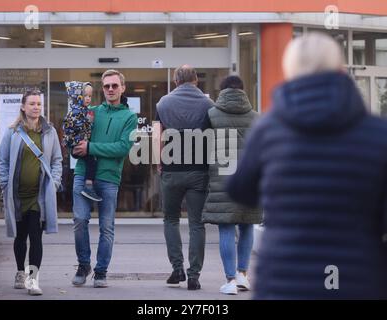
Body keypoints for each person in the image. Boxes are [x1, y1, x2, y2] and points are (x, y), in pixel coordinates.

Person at [227, 33, 387, 299]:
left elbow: (240, 190)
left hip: (283, 278)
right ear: (340, 70)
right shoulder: (377, 134)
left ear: (290, 72)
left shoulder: (269, 129)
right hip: (358, 278)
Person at [71, 69, 137, 288]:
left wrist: (91, 147)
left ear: (122, 88)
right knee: (80, 220)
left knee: (106, 227)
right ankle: (83, 265)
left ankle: (101, 271)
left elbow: (122, 148)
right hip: (83, 173)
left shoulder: (129, 117)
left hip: (109, 178)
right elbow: (76, 138)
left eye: (114, 85)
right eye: (107, 86)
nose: (110, 89)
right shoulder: (91, 112)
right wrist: (75, 147)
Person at [0, 89, 63, 296]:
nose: (36, 107)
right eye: (32, 104)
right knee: (20, 237)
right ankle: (19, 272)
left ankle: (33, 279)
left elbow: (56, 160)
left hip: (39, 196)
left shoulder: (49, 131)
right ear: (23, 107)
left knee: (36, 237)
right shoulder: (12, 132)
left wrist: (54, 183)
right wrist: (5, 184)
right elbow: (3, 161)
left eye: (39, 104)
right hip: (17, 195)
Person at [155, 65, 214, 290]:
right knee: (197, 224)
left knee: (170, 219)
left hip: (171, 170)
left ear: (176, 80)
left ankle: (177, 268)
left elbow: (157, 136)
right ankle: (194, 275)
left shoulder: (163, 103)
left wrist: (160, 162)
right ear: (196, 80)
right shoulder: (209, 105)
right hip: (199, 171)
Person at [202, 75, 262, 295]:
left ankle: (229, 281)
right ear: (243, 91)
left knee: (226, 227)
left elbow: (202, 147)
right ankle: (243, 275)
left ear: (222, 91)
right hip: (250, 179)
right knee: (246, 225)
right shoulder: (257, 118)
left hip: (222, 180)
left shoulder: (211, 115)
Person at [62, 81, 101, 202]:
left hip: (78, 144)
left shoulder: (82, 110)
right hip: (77, 145)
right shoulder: (76, 112)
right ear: (77, 96)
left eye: (90, 96)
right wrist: (89, 121)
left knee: (91, 161)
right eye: (85, 96)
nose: (88, 99)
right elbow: (73, 127)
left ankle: (89, 185)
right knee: (92, 161)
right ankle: (88, 186)